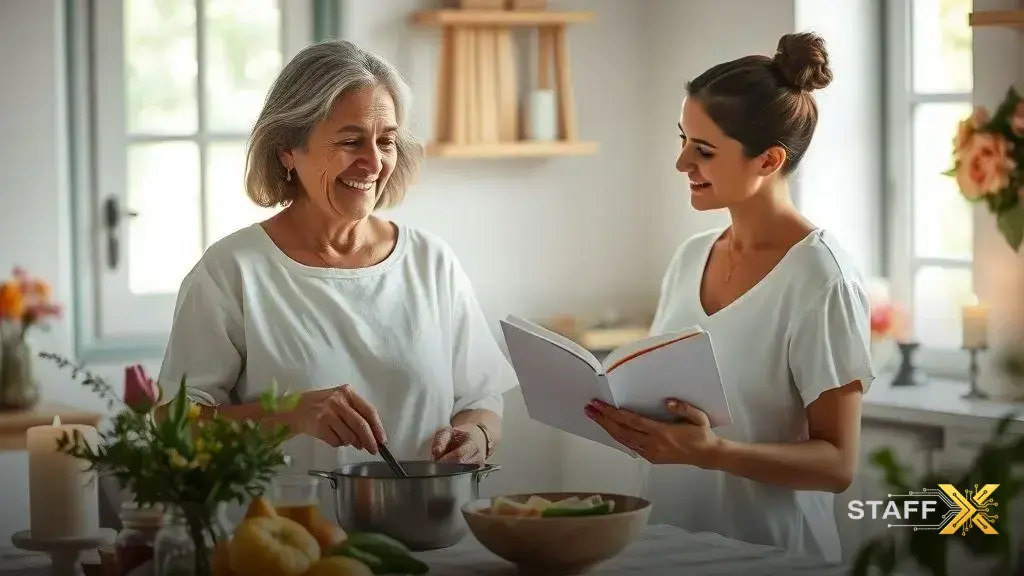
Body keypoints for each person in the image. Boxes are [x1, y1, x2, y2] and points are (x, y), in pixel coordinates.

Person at [156, 40, 517, 486]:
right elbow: (174, 425)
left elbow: (482, 399)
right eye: (350, 141)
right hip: (285, 545)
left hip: (426, 540)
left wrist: (475, 435)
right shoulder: (231, 271)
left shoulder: (431, 263)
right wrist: (289, 414)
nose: (373, 162)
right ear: (289, 149)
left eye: (385, 141)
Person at [585, 32, 873, 563]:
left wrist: (715, 454)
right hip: (666, 548)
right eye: (682, 139)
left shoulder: (822, 280)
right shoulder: (691, 257)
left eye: (704, 150)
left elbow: (837, 465)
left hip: (772, 558)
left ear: (767, 161)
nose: (680, 164)